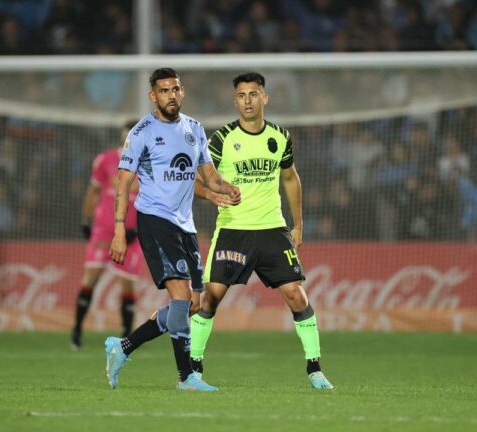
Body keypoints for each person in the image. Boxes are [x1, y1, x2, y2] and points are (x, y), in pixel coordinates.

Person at [189, 72, 334, 389]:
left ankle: (315, 369)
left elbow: (290, 178)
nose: (248, 101)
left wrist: (298, 224)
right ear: (235, 100)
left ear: (264, 98)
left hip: (272, 229)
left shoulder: (280, 137)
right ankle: (193, 368)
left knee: (296, 294)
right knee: (210, 299)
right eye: (241, 95)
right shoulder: (222, 139)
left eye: (253, 94)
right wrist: (212, 193)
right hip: (233, 229)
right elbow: (199, 177)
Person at [105, 67, 241, 392]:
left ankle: (122, 348)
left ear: (182, 92)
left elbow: (206, 175)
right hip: (154, 220)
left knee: (193, 303)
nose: (171, 95)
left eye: (175, 89)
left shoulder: (193, 128)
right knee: (180, 296)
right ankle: (187, 377)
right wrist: (120, 230)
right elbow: (124, 182)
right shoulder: (141, 132)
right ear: (153, 95)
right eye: (164, 90)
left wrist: (226, 188)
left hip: (185, 225)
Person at [71, 120, 142, 350]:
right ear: (122, 135)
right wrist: (85, 218)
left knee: (128, 284)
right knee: (91, 276)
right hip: (104, 229)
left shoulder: (149, 165)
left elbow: (152, 201)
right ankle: (77, 330)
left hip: (131, 233)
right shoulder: (105, 160)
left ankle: (127, 337)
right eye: (128, 132)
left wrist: (141, 228)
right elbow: (93, 191)